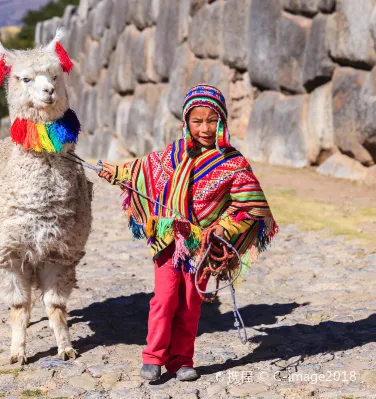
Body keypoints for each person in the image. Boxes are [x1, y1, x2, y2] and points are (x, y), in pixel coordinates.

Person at [98, 84, 278, 381]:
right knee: (165, 298)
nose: (205, 128)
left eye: (212, 120)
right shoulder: (173, 154)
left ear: (222, 120)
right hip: (169, 239)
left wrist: (222, 227)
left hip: (203, 247)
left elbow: (249, 207)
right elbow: (142, 169)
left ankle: (182, 359)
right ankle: (154, 356)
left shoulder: (234, 163)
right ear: (186, 122)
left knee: (191, 302)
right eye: (197, 121)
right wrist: (115, 172)